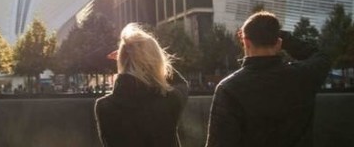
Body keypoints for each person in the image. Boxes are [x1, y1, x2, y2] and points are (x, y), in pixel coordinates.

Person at [206, 11, 330, 147]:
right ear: (278, 43)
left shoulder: (228, 89)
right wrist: (283, 37)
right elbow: (321, 56)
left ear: (246, 42)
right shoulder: (303, 76)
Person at [95, 23, 188, 147]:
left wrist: (127, 56)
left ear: (122, 59)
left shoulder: (104, 107)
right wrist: (151, 57)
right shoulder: (170, 99)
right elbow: (181, 83)